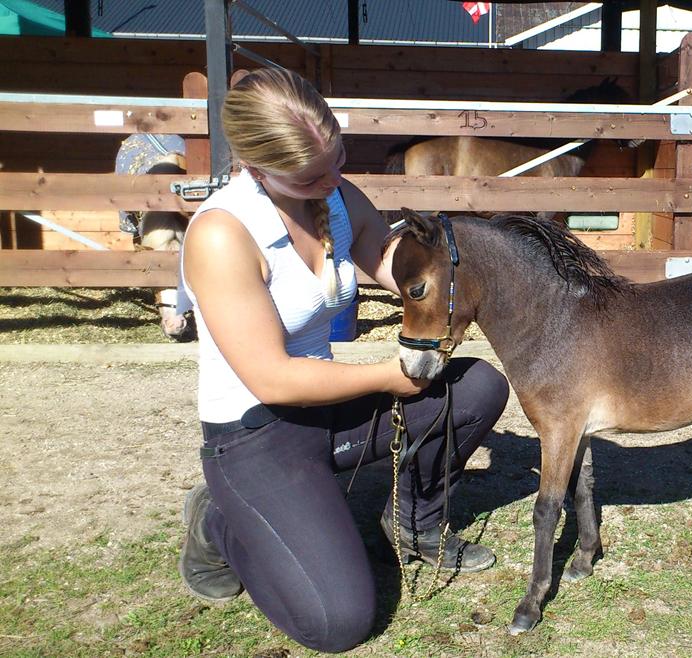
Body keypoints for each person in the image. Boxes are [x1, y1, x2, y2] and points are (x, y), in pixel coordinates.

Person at [176, 67, 510, 653]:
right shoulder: (223, 235)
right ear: (256, 168)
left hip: (329, 410)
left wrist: (455, 273)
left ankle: (414, 524)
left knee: (478, 386)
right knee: (337, 623)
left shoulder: (337, 196)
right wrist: (390, 375)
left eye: (338, 159)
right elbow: (272, 378)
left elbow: (391, 265)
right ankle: (220, 523)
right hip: (258, 432)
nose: (332, 180)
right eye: (310, 176)